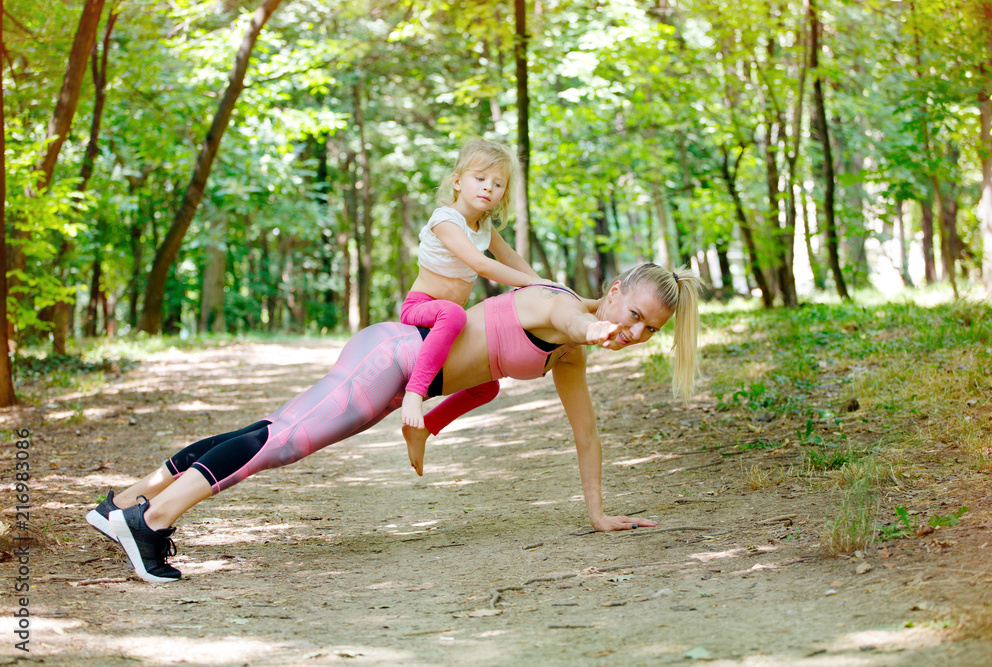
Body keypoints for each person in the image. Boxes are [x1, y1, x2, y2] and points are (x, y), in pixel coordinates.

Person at [85, 264, 701, 583]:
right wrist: (600, 327)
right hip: (392, 358)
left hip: (392, 379)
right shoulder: (561, 307)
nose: (636, 333)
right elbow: (578, 322)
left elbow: (585, 433)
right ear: (615, 291)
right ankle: (152, 523)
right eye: (636, 315)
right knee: (283, 441)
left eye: (650, 331)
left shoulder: (566, 353)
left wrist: (598, 514)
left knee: (273, 430)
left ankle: (130, 502)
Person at [400, 138, 552, 431]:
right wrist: (531, 283)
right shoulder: (445, 220)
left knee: (488, 387)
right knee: (454, 314)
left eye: (498, 184)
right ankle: (414, 393)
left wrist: (544, 286)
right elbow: (481, 264)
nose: (488, 187)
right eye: (480, 178)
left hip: (449, 317)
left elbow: (507, 256)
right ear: (457, 182)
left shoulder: (484, 226)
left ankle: (427, 428)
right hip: (421, 308)